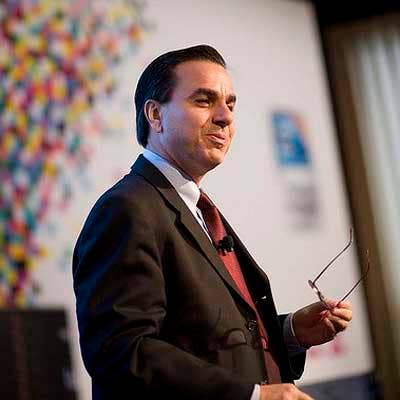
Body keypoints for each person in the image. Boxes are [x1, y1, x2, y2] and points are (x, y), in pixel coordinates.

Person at [72, 44, 352, 400]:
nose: (225, 117)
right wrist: (254, 396)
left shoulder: (195, 208)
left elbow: (202, 340)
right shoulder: (127, 209)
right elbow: (122, 354)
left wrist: (290, 333)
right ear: (155, 115)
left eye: (230, 104)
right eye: (204, 101)